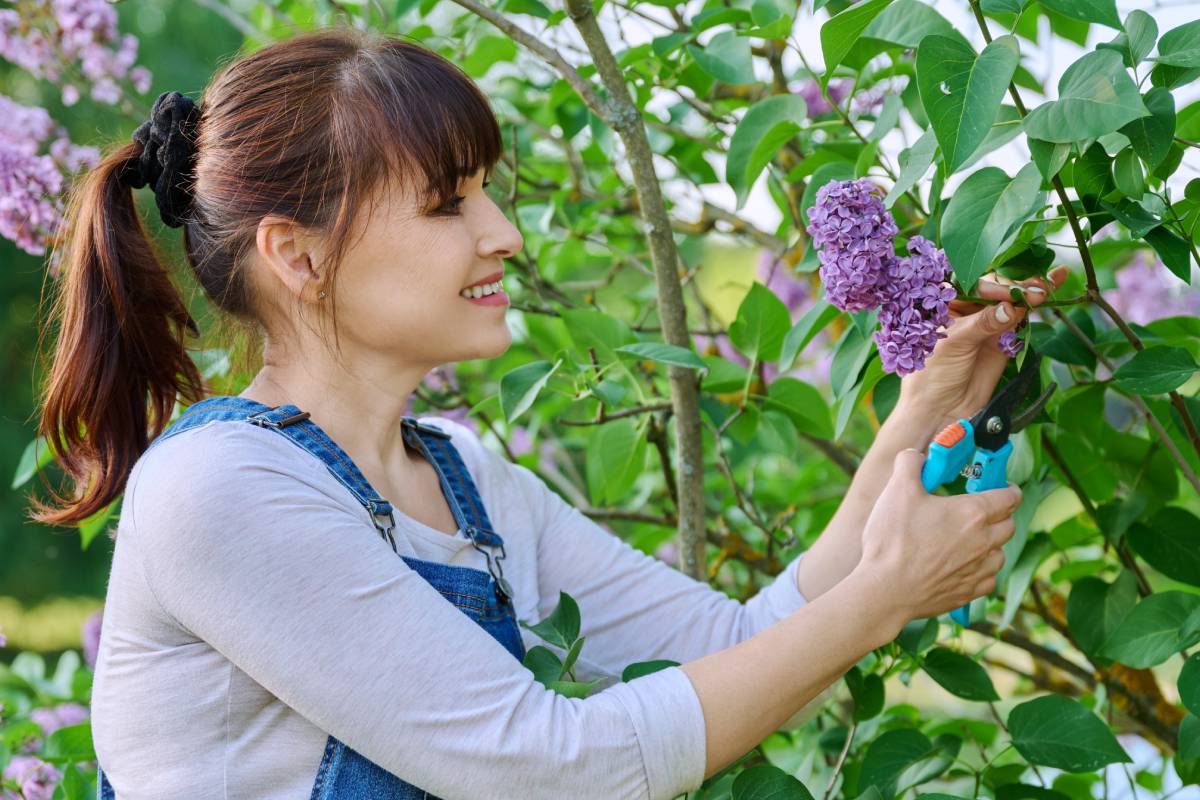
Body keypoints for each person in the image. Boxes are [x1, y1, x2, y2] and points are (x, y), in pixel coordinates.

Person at [31, 25, 1067, 800]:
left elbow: (738, 639)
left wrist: (925, 400)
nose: (505, 233)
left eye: (488, 191)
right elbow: (545, 764)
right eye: (448, 204)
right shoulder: (222, 492)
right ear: (297, 255)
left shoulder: (468, 482)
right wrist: (888, 593)